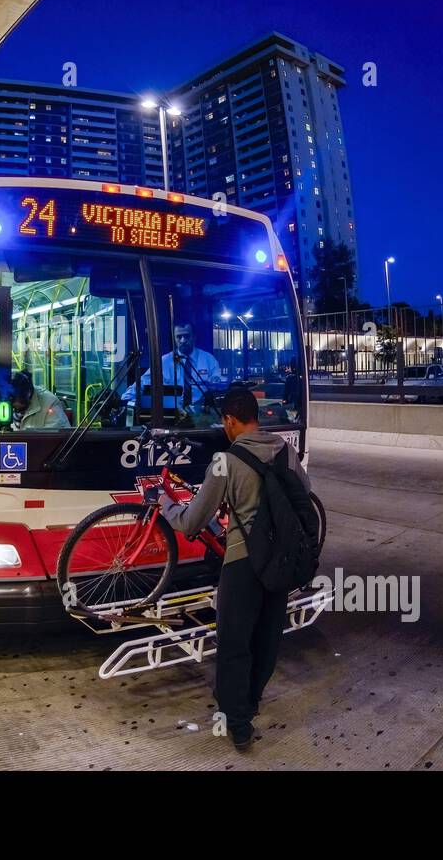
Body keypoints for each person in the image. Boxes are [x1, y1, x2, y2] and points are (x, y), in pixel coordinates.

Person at [158, 387, 312, 752]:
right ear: (256, 417)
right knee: (267, 637)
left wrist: (165, 504)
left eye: (224, 423)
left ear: (230, 420)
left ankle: (237, 724)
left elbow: (193, 519)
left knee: (234, 643)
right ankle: (252, 702)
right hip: (280, 560)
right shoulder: (285, 449)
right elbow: (303, 492)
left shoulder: (226, 461)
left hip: (243, 564)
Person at [128, 321, 224, 413]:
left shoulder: (209, 359)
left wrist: (215, 382)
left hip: (202, 414)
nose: (183, 340)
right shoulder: (163, 362)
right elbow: (139, 386)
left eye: (186, 336)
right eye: (179, 337)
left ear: (194, 337)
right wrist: (127, 402)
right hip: (173, 414)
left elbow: (219, 385)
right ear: (174, 338)